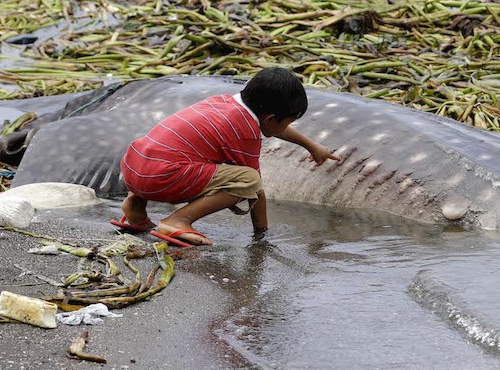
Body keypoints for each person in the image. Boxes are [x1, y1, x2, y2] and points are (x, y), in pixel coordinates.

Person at [112, 67, 341, 246]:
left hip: (133, 168)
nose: (287, 126)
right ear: (272, 118)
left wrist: (311, 146)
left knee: (173, 149)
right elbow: (254, 187)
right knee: (247, 180)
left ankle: (134, 206)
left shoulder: (223, 102)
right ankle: (177, 221)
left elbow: (273, 126)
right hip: (159, 178)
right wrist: (262, 235)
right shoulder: (244, 130)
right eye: (288, 122)